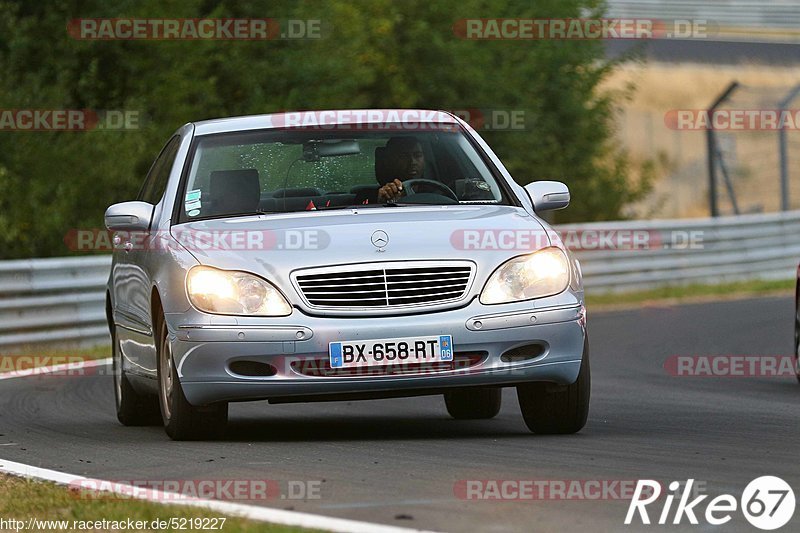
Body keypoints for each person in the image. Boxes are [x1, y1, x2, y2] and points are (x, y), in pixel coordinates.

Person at [376, 136, 426, 202]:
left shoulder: (438, 191)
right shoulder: (379, 195)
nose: (413, 162)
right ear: (391, 161)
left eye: (418, 155)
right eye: (404, 156)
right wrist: (384, 202)